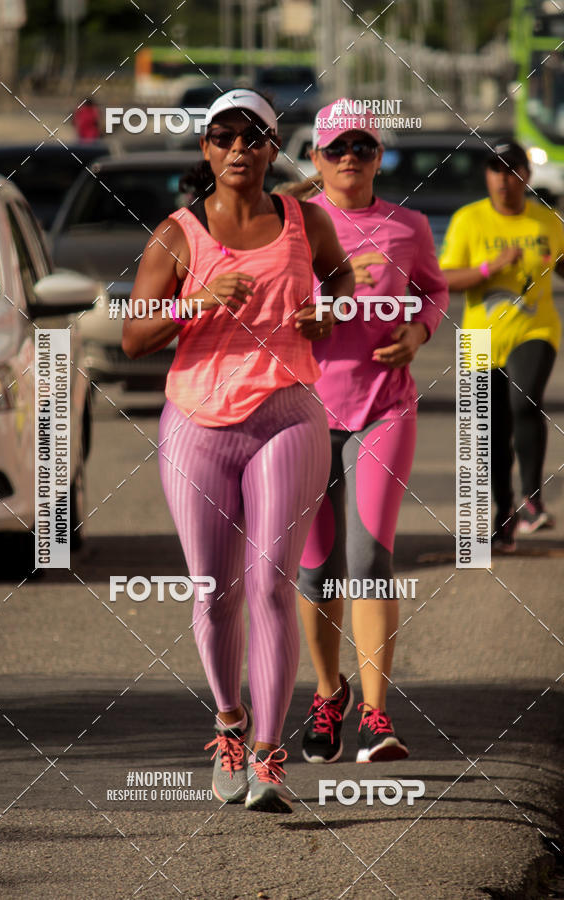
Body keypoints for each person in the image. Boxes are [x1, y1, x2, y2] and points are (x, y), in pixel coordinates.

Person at [122, 89, 354, 812]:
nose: (238, 149)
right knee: (216, 593)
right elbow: (133, 333)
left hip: (288, 414)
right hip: (197, 424)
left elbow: (341, 275)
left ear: (271, 147)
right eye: (223, 137)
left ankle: (269, 754)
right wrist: (197, 303)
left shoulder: (303, 221)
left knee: (271, 586)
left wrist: (330, 307)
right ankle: (228, 724)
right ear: (206, 150)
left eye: (253, 136)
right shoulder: (177, 234)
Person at [283, 100, 449, 765]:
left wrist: (419, 330)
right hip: (304, 410)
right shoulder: (293, 225)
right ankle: (329, 694)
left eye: (363, 146)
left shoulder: (407, 226)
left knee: (368, 559)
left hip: (384, 408)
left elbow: (433, 290)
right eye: (337, 148)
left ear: (379, 156)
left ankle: (379, 715)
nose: (350, 157)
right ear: (317, 159)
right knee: (315, 570)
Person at [439, 138, 564, 552]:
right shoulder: (468, 221)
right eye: (495, 169)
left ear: (526, 175)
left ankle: (532, 500)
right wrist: (491, 268)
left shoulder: (547, 222)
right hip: (479, 337)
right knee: (488, 431)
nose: (503, 179)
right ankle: (503, 511)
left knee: (522, 401)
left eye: (512, 169)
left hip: (534, 330)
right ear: (486, 176)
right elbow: (445, 281)